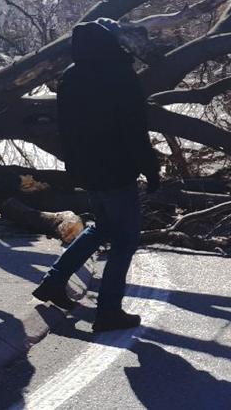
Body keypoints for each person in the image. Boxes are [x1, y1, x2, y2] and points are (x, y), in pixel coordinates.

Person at [33, 18, 160, 332]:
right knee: (125, 241)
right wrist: (151, 168)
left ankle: (53, 282)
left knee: (101, 228)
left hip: (88, 170)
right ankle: (109, 311)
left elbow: (65, 129)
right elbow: (134, 130)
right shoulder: (121, 76)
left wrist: (74, 166)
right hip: (117, 170)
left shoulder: (71, 77)